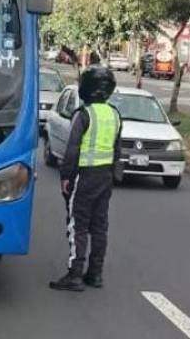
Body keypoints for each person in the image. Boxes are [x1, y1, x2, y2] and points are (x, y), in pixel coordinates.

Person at [50, 66, 122, 292]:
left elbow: (72, 149)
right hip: (105, 177)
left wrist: (66, 176)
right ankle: (95, 274)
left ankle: (75, 274)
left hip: (84, 176)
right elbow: (117, 148)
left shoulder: (83, 115)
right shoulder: (114, 114)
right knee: (99, 226)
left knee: (78, 224)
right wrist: (114, 175)